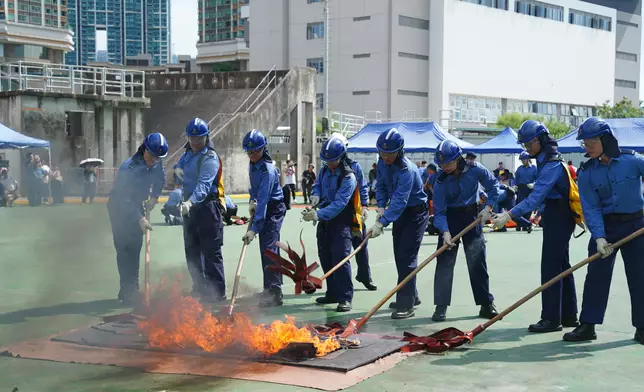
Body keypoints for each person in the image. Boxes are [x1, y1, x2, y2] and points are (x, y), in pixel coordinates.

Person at [492, 120, 579, 333]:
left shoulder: (551, 164)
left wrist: (508, 215)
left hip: (560, 216)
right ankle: (568, 315)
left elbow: (534, 198)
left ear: (540, 140)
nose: (526, 148)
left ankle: (551, 319)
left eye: (529, 143)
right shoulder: (545, 161)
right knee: (562, 265)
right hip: (556, 213)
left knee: (551, 266)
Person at [563, 117, 644, 344]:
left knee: (640, 277)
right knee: (596, 276)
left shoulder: (633, 161)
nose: (586, 149)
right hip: (606, 227)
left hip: (636, 224)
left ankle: (643, 328)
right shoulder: (587, 172)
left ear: (605, 140)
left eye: (590, 143)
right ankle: (588, 325)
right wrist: (599, 237)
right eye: (585, 144)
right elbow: (590, 207)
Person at [431, 140, 499, 322]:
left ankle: (486, 304)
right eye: (441, 164)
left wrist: (489, 208)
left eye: (448, 163)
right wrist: (444, 231)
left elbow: (494, 187)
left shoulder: (476, 169)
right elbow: (439, 211)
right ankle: (441, 306)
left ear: (458, 158)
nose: (445, 167)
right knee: (444, 263)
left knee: (477, 262)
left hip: (472, 217)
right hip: (450, 219)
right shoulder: (440, 181)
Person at [368, 128, 428, 319]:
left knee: (407, 257)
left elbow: (401, 200)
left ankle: (406, 304)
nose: (385, 157)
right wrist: (380, 207)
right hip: (398, 213)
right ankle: (412, 295)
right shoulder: (382, 163)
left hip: (415, 213)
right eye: (382, 153)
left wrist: (382, 223)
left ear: (399, 151)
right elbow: (382, 186)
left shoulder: (407, 170)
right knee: (399, 256)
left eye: (389, 154)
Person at [107, 133, 167, 305]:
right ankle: (127, 292)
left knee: (135, 248)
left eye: (158, 158)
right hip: (119, 207)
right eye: (152, 156)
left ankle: (132, 289)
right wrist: (138, 218)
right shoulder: (129, 168)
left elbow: (160, 179)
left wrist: (155, 197)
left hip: (137, 204)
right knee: (125, 249)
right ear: (144, 150)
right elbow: (123, 197)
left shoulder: (156, 162)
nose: (154, 161)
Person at [302, 136, 361, 312]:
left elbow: (340, 204)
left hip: (340, 220)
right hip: (324, 219)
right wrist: (315, 194)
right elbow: (318, 184)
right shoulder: (325, 170)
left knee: (340, 258)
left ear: (341, 156)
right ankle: (333, 293)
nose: (329, 163)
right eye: (326, 160)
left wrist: (317, 214)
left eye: (332, 160)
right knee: (326, 256)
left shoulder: (348, 176)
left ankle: (345, 297)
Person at [174, 118, 227, 303]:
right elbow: (178, 166)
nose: (195, 142)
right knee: (192, 250)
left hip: (206, 207)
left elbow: (204, 186)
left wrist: (190, 202)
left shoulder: (210, 158)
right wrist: (177, 170)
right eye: (192, 138)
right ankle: (199, 288)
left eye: (199, 138)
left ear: (206, 137)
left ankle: (217, 292)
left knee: (211, 251)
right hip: (189, 209)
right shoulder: (187, 153)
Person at [242, 129, 287, 307]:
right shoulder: (253, 164)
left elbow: (264, 202)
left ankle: (275, 292)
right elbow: (255, 189)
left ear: (263, 149)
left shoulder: (268, 170)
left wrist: (254, 228)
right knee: (265, 249)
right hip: (262, 203)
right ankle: (269, 289)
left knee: (270, 248)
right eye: (249, 152)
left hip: (273, 208)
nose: (252, 155)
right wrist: (251, 199)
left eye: (255, 151)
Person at [327, 132, 377, 291]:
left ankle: (364, 276)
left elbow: (362, 187)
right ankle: (336, 287)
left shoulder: (354, 167)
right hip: (337, 213)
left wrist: (364, 206)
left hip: (355, 212)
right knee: (340, 250)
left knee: (361, 245)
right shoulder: (328, 168)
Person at [514, 151, 537, 232]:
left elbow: (538, 179)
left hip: (530, 189)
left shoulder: (534, 168)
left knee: (529, 207)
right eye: (522, 159)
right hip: (521, 189)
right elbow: (515, 180)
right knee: (520, 207)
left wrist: (533, 184)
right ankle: (520, 224)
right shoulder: (519, 169)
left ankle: (526, 225)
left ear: (528, 159)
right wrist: (515, 186)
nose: (523, 161)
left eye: (524, 159)